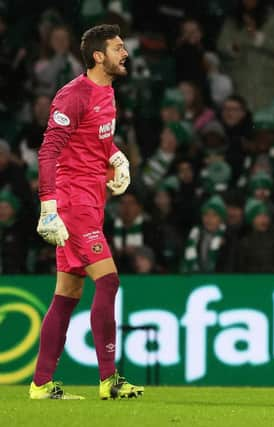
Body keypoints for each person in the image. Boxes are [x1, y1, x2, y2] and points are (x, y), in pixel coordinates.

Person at [31, 24, 143, 400]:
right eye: (118, 48)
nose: (124, 53)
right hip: (72, 202)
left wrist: (115, 155)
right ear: (99, 56)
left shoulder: (106, 92)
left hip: (92, 200)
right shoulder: (73, 95)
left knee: (67, 293)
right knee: (108, 281)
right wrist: (49, 208)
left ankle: (41, 384)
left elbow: (97, 137)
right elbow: (48, 151)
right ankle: (109, 380)